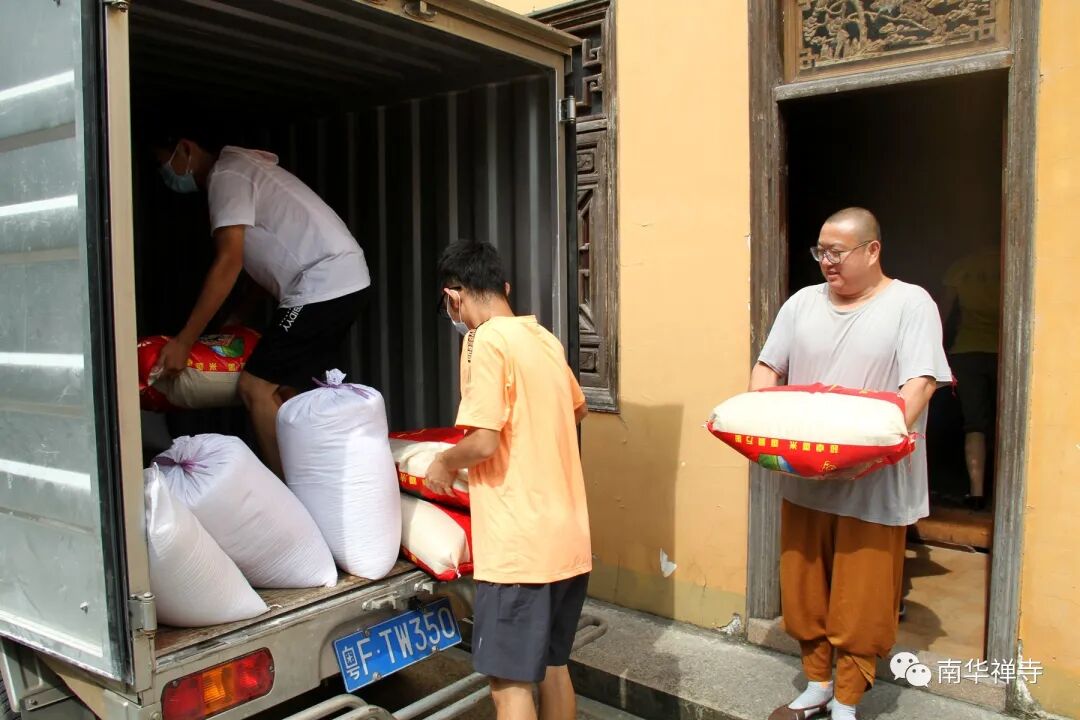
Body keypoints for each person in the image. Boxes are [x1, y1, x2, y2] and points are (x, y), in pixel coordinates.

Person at [752, 208, 951, 720]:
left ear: (873, 250)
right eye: (820, 252)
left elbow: (920, 384)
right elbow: (767, 368)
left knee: (861, 599)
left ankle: (847, 698)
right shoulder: (801, 304)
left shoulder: (910, 304)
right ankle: (816, 684)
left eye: (837, 252)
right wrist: (762, 426)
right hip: (806, 478)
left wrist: (867, 448)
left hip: (874, 481)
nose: (826, 262)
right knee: (804, 587)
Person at [424, 241, 591, 720]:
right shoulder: (543, 339)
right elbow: (577, 409)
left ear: (453, 297)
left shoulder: (484, 340)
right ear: (506, 288)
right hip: (570, 539)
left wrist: (444, 464)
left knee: (509, 686)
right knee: (555, 666)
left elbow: (483, 441)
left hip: (520, 550)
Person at [152, 135, 370, 478]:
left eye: (164, 162)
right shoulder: (244, 170)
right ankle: (322, 477)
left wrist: (184, 341)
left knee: (254, 387)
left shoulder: (227, 176)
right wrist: (241, 313)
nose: (165, 173)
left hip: (322, 283)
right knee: (286, 389)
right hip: (340, 280)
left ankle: (293, 492)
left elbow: (229, 261)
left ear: (186, 148)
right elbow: (264, 259)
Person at [939, 244, 1000, 511]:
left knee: (975, 423)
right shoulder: (1012, 261)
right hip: (1006, 352)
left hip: (967, 351)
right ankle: (1003, 491)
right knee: (1008, 424)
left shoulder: (961, 268)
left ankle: (976, 493)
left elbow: (942, 315)